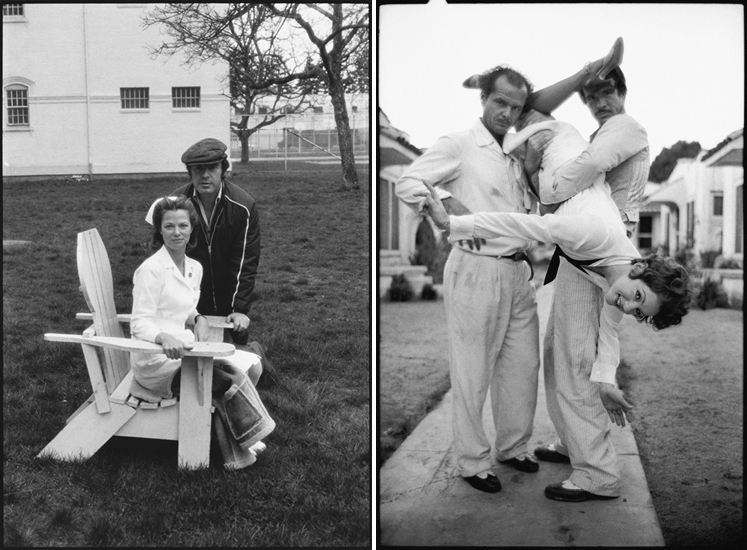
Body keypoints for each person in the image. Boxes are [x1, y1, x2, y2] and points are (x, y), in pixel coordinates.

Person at [416, 106, 691, 501]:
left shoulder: (623, 280)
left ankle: (597, 474)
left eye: (640, 313)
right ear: (641, 269)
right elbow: (521, 225)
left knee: (575, 361)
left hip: (559, 168)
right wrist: (453, 224)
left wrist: (607, 379)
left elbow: (609, 329)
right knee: (557, 352)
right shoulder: (592, 233)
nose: (630, 308)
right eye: (638, 299)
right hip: (554, 141)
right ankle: (572, 444)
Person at [395, 65, 542, 494]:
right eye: (500, 102)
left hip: (518, 270)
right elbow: (409, 180)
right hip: (476, 268)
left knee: (522, 366)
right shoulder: (460, 143)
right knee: (473, 369)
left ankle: (513, 447)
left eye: (515, 106)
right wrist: (441, 203)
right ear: (483, 99)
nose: (506, 112)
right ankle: (473, 461)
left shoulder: (517, 152)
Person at [131, 195, 275, 469]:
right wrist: (164, 337)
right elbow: (139, 322)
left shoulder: (193, 268)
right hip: (156, 360)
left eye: (183, 226)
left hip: (185, 352)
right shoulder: (151, 270)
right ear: (159, 230)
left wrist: (197, 317)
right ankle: (243, 443)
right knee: (221, 379)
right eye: (169, 226)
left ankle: (243, 438)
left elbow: (182, 308)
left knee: (243, 369)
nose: (177, 233)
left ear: (191, 229)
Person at [171, 138, 260, 348]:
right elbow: (166, 261)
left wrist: (239, 308)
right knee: (185, 365)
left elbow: (245, 262)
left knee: (234, 362)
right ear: (189, 172)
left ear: (223, 170)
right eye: (198, 169)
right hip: (188, 304)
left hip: (227, 304)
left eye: (212, 168)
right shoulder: (175, 205)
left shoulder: (243, 207)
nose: (205, 175)